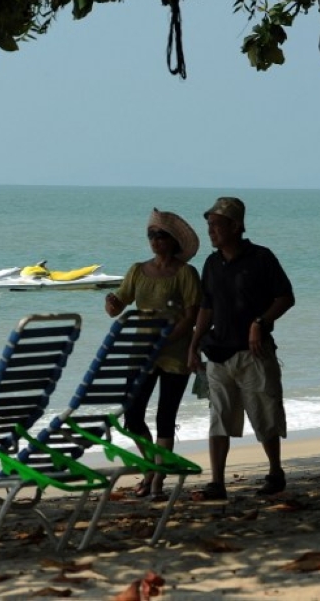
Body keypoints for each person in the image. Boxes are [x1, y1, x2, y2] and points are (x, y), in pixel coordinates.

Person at [188, 197, 295, 500]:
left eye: (216, 225)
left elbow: (285, 297)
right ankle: (216, 483)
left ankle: (275, 472)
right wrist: (193, 346)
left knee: (265, 415)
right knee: (219, 419)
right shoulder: (211, 263)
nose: (211, 231)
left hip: (254, 353)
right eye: (209, 225)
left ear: (235, 226)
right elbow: (206, 307)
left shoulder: (261, 257)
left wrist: (260, 322)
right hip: (217, 353)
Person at [105, 208, 201, 502]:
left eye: (160, 235)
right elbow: (117, 307)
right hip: (140, 352)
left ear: (173, 241)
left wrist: (166, 339)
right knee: (133, 415)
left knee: (165, 417)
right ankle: (150, 468)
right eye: (151, 235)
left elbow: (191, 315)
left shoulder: (186, 273)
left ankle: (157, 479)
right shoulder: (137, 270)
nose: (155, 240)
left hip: (175, 353)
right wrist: (111, 303)